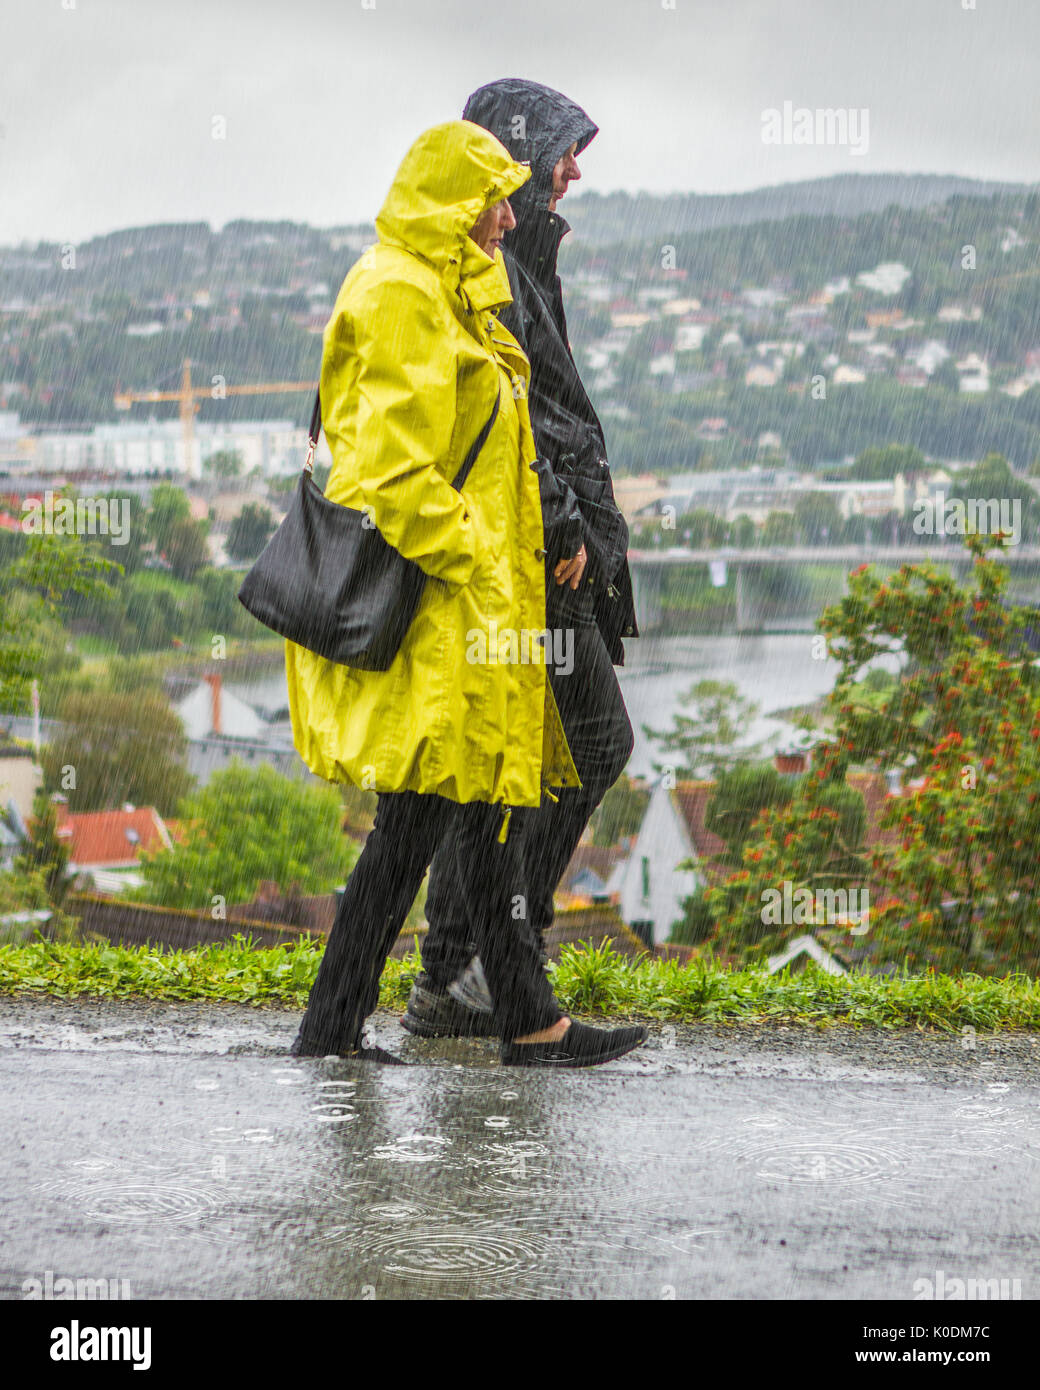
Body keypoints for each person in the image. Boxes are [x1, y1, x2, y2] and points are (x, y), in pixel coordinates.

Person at [285, 119, 646, 1068]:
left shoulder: (450, 286)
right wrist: (480, 552)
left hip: (480, 613)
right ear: (447, 198)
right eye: (489, 198)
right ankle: (348, 1026)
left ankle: (511, 1020)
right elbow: (392, 470)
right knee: (423, 825)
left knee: (473, 819)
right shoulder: (400, 293)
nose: (503, 217)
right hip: (449, 612)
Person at [404, 81, 638, 1039]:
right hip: (538, 556)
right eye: (562, 151)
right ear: (519, 152)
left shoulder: (526, 252)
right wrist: (565, 525)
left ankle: (453, 974)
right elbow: (512, 413)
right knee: (586, 749)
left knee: (512, 775)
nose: (575, 169)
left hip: (550, 549)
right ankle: (491, 967)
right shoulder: (497, 263)